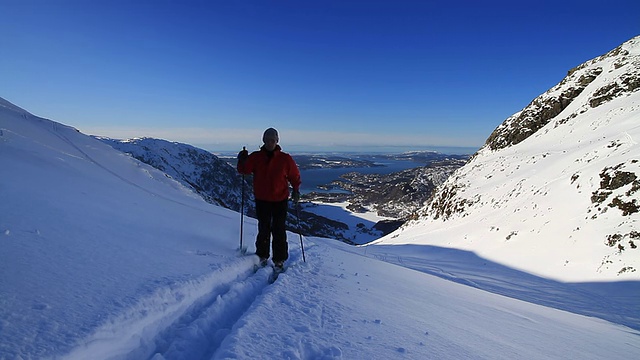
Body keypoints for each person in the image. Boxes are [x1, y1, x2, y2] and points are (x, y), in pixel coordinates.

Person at [237, 127, 301, 270]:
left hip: (280, 199)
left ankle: (279, 259)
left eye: (272, 140)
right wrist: (242, 160)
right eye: (267, 140)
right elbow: (244, 170)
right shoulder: (256, 157)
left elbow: (294, 176)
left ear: (277, 141)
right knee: (264, 228)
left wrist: (296, 189)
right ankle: (262, 255)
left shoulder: (285, 159)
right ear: (264, 140)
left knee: (279, 229)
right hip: (263, 199)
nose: (270, 142)